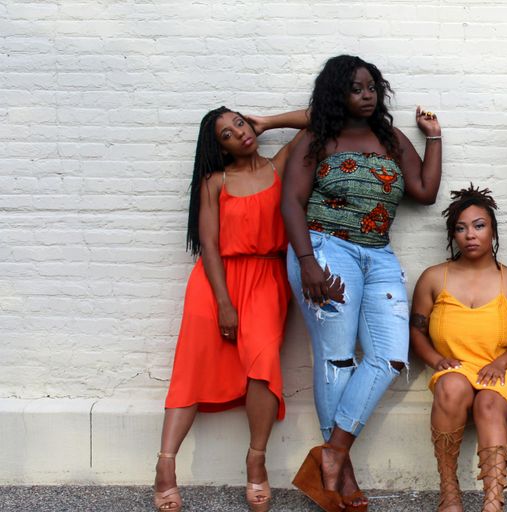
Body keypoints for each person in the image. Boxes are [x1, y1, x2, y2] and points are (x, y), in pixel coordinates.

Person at [282, 54, 442, 512]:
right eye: (356, 88)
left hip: (378, 254)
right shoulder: (318, 138)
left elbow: (424, 192)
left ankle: (331, 455)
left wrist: (434, 139)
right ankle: (342, 476)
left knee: (390, 355)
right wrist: (308, 262)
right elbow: (291, 202)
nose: (367, 94)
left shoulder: (389, 137)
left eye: (372, 86)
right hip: (325, 248)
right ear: (338, 93)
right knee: (335, 356)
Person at [154, 106, 308, 512]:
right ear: (218, 148)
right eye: (227, 134)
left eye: (240, 123)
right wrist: (224, 303)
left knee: (263, 363)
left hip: (266, 280)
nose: (239, 133)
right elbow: (208, 245)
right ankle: (165, 466)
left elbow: (323, 117)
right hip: (215, 282)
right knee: (191, 368)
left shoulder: (280, 165)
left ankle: (256, 460)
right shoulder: (215, 181)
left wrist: (269, 122)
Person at [410, 185, 507, 512]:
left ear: (492, 231)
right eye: (461, 228)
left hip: (505, 368)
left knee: (489, 404)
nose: (470, 235)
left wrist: (501, 363)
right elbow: (416, 330)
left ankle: (492, 505)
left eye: (479, 225)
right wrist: (436, 359)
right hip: (458, 368)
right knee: (451, 385)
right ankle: (449, 492)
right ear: (453, 235)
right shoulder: (434, 277)